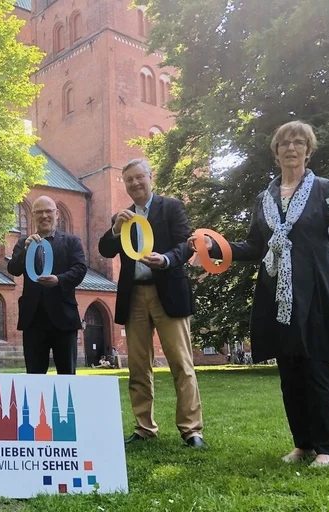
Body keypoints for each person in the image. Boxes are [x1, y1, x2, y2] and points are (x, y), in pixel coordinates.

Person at [190, 120, 329, 467]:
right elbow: (255, 246)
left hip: (317, 289)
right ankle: (302, 444)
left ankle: (327, 449)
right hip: (279, 295)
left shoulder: (322, 189)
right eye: (285, 143)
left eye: (299, 142)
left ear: (308, 150)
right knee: (290, 371)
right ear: (276, 153)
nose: (292, 148)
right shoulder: (265, 198)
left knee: (316, 369)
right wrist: (214, 246)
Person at [99, 158, 206, 448]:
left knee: (181, 363)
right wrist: (114, 230)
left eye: (138, 177)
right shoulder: (122, 217)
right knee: (137, 365)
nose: (134, 183)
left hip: (167, 291)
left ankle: (191, 430)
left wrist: (166, 259)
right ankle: (144, 427)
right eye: (128, 180)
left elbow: (187, 244)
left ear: (150, 177)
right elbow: (105, 250)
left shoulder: (170, 207)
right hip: (134, 295)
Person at [7, 196, 87, 374]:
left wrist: (59, 280)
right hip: (33, 318)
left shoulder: (71, 241)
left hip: (64, 318)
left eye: (48, 211)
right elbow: (13, 269)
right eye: (39, 212)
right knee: (35, 376)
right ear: (33, 216)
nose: (44, 215)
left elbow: (80, 269)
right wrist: (26, 250)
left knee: (67, 376)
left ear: (57, 214)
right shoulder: (23, 242)